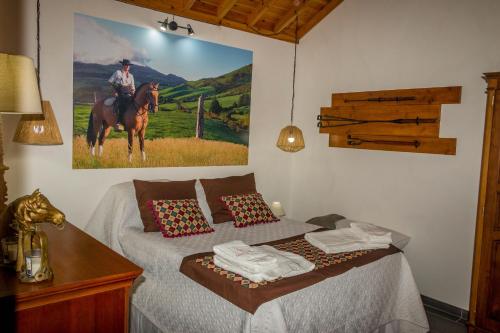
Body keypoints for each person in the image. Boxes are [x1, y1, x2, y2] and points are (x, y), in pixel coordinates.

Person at [108, 59, 135, 131]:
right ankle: (119, 122)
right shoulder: (118, 72)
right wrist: (115, 90)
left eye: (129, 65)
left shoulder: (131, 76)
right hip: (119, 91)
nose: (128, 66)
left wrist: (134, 93)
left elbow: (132, 86)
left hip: (128, 92)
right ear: (123, 65)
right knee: (122, 102)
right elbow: (110, 81)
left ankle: (132, 121)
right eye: (126, 65)